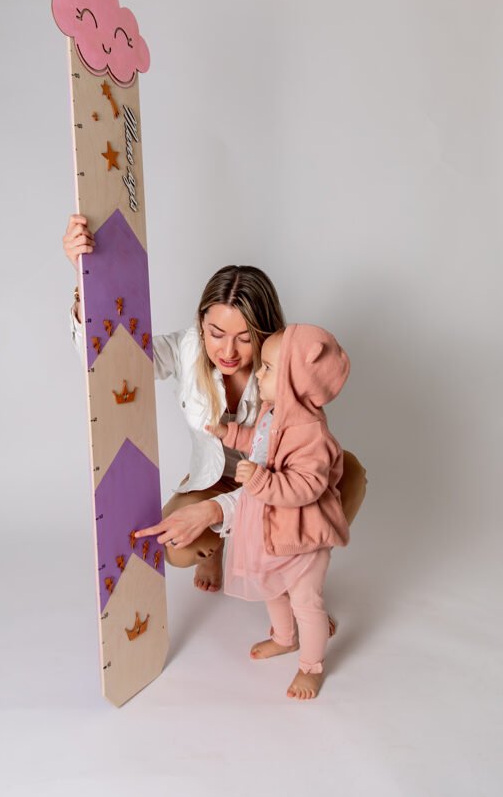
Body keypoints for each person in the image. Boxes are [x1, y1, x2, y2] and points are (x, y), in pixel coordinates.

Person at [63, 214, 366, 594]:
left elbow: (298, 477)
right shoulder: (187, 347)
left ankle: (301, 574)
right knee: (177, 548)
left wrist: (212, 511)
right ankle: (218, 548)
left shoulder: (288, 369)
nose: (227, 351)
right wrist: (84, 281)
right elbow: (109, 359)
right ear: (200, 323)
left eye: (244, 338)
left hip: (278, 481)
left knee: (348, 476)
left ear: (265, 332)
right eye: (216, 333)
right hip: (214, 477)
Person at [168, 323, 352, 700]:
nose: (260, 375)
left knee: (306, 601)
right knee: (272, 588)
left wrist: (260, 482)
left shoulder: (311, 433)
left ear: (295, 380)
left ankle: (311, 666)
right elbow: (258, 442)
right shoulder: (274, 411)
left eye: (268, 369)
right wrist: (229, 436)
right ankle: (284, 638)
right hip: (273, 527)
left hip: (302, 533)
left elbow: (307, 485)